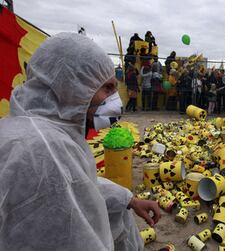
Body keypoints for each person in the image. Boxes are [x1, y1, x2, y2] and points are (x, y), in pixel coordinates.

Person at [0, 33, 160, 251]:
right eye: (108, 88)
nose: (116, 101)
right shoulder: (46, 149)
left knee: (117, 213)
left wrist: (128, 199)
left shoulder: (38, 129)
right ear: (72, 87)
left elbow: (82, 185)